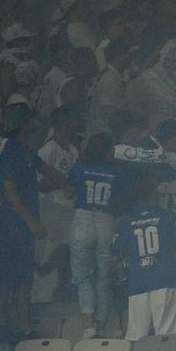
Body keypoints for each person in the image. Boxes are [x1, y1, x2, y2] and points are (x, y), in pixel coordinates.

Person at [0, 101, 53, 342]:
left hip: (9, 223)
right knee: (15, 279)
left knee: (11, 278)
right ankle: (16, 328)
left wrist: (63, 181)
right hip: (12, 224)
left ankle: (13, 327)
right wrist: (31, 222)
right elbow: (9, 189)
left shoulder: (10, 146)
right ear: (25, 123)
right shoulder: (13, 149)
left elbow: (40, 171)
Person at [66, 132, 133, 339]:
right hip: (106, 220)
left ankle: (88, 326)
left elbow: (68, 193)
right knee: (104, 276)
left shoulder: (79, 167)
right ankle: (102, 325)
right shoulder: (117, 171)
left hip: (82, 218)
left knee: (83, 277)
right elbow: (122, 200)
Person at [111, 178, 176, 340]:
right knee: (167, 335)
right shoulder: (167, 216)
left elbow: (115, 254)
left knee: (136, 336)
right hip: (164, 279)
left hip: (137, 282)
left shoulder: (125, 221)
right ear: (153, 195)